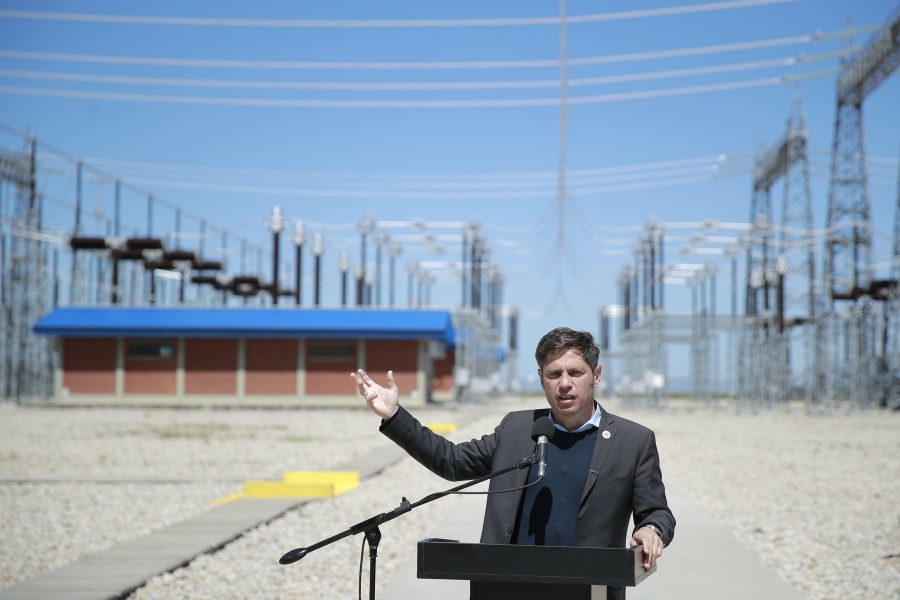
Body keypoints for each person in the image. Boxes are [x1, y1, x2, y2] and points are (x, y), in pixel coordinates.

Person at [351, 326, 675, 600]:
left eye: (575, 373)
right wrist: (394, 416)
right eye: (554, 374)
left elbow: (657, 512)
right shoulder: (518, 429)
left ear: (596, 376)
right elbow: (451, 462)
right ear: (541, 379)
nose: (564, 383)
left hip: (590, 589)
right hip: (506, 587)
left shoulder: (633, 441)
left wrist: (651, 529)